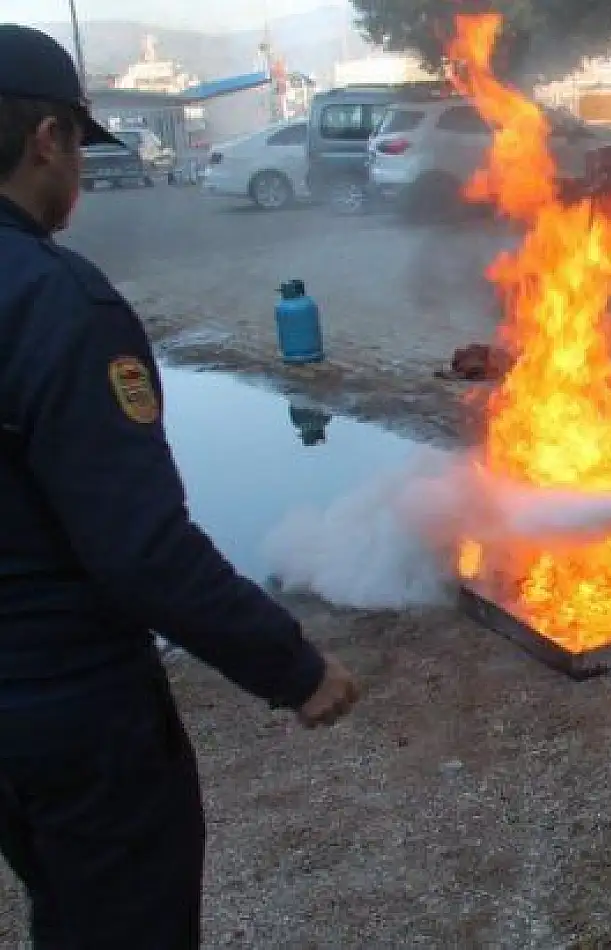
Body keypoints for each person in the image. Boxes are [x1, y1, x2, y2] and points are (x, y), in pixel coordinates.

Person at [0, 24, 361, 946]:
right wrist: (293, 666)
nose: (78, 171)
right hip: (67, 704)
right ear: (48, 140)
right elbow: (138, 547)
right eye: (79, 145)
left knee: (63, 906)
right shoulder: (55, 302)